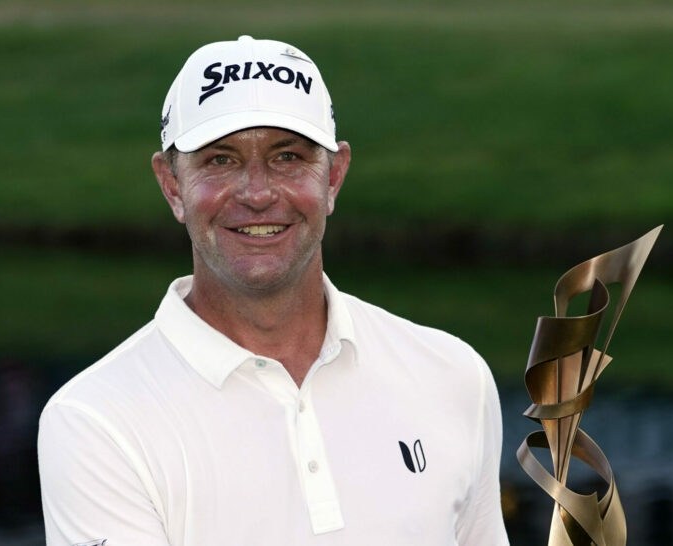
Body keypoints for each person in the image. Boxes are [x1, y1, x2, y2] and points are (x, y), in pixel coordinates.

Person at [38, 35, 509, 545]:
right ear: (172, 185)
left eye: (287, 157)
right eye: (220, 160)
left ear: (334, 177)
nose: (258, 193)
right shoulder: (95, 420)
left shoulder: (454, 376)